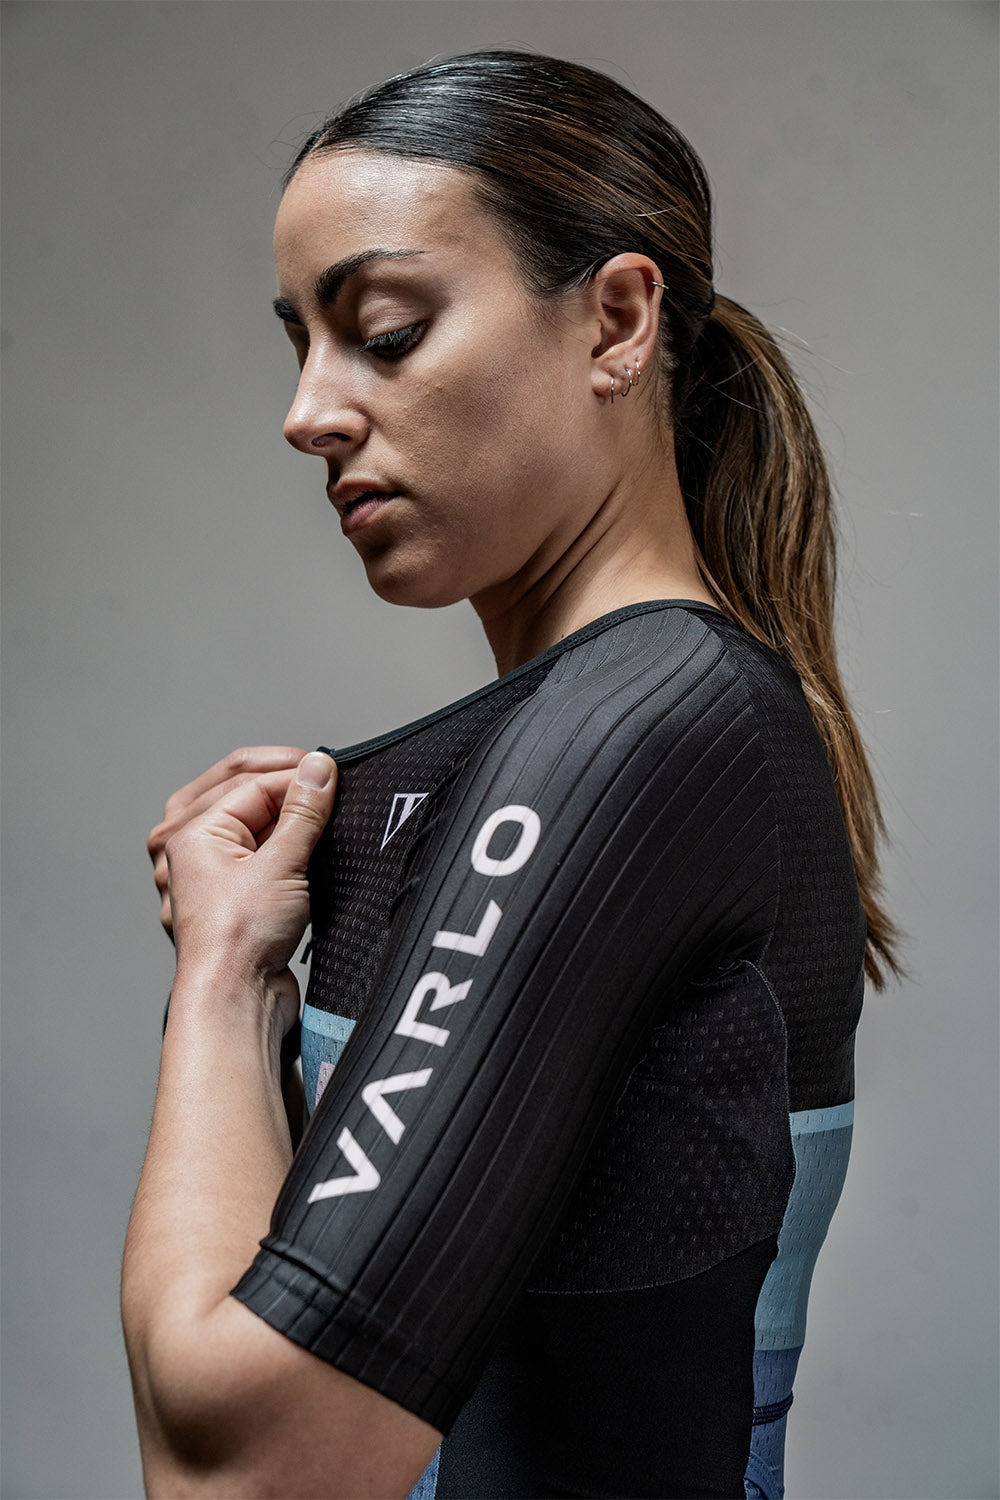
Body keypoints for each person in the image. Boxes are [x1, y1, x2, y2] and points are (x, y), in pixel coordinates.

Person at [122, 50, 900, 1500]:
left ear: (617, 321)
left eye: (386, 331)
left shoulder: (636, 737)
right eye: (302, 345)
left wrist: (224, 980)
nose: (308, 412)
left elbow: (250, 1470)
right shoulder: (604, 732)